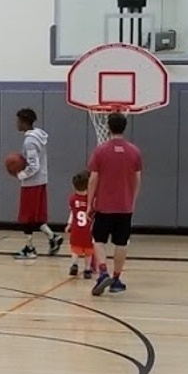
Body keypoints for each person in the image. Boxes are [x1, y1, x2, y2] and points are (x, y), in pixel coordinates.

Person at [87, 113, 143, 295]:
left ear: (108, 127)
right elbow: (137, 179)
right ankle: (117, 280)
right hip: (125, 206)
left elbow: (93, 179)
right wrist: (132, 200)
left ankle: (103, 272)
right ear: (124, 127)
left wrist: (89, 203)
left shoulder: (100, 151)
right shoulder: (134, 151)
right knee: (122, 242)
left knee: (98, 240)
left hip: (104, 205)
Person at [12, 109, 64, 259]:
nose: (16, 124)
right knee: (36, 216)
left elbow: (33, 165)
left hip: (31, 183)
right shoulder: (39, 135)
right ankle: (52, 237)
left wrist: (22, 174)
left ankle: (30, 249)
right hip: (41, 181)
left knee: (26, 217)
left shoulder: (30, 141)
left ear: (24, 121)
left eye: (18, 121)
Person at [65, 171, 96, 278]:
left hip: (76, 229)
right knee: (88, 252)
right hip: (89, 231)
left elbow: (72, 213)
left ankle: (74, 264)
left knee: (75, 249)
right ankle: (87, 270)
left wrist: (69, 224)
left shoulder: (73, 199)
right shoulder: (92, 200)